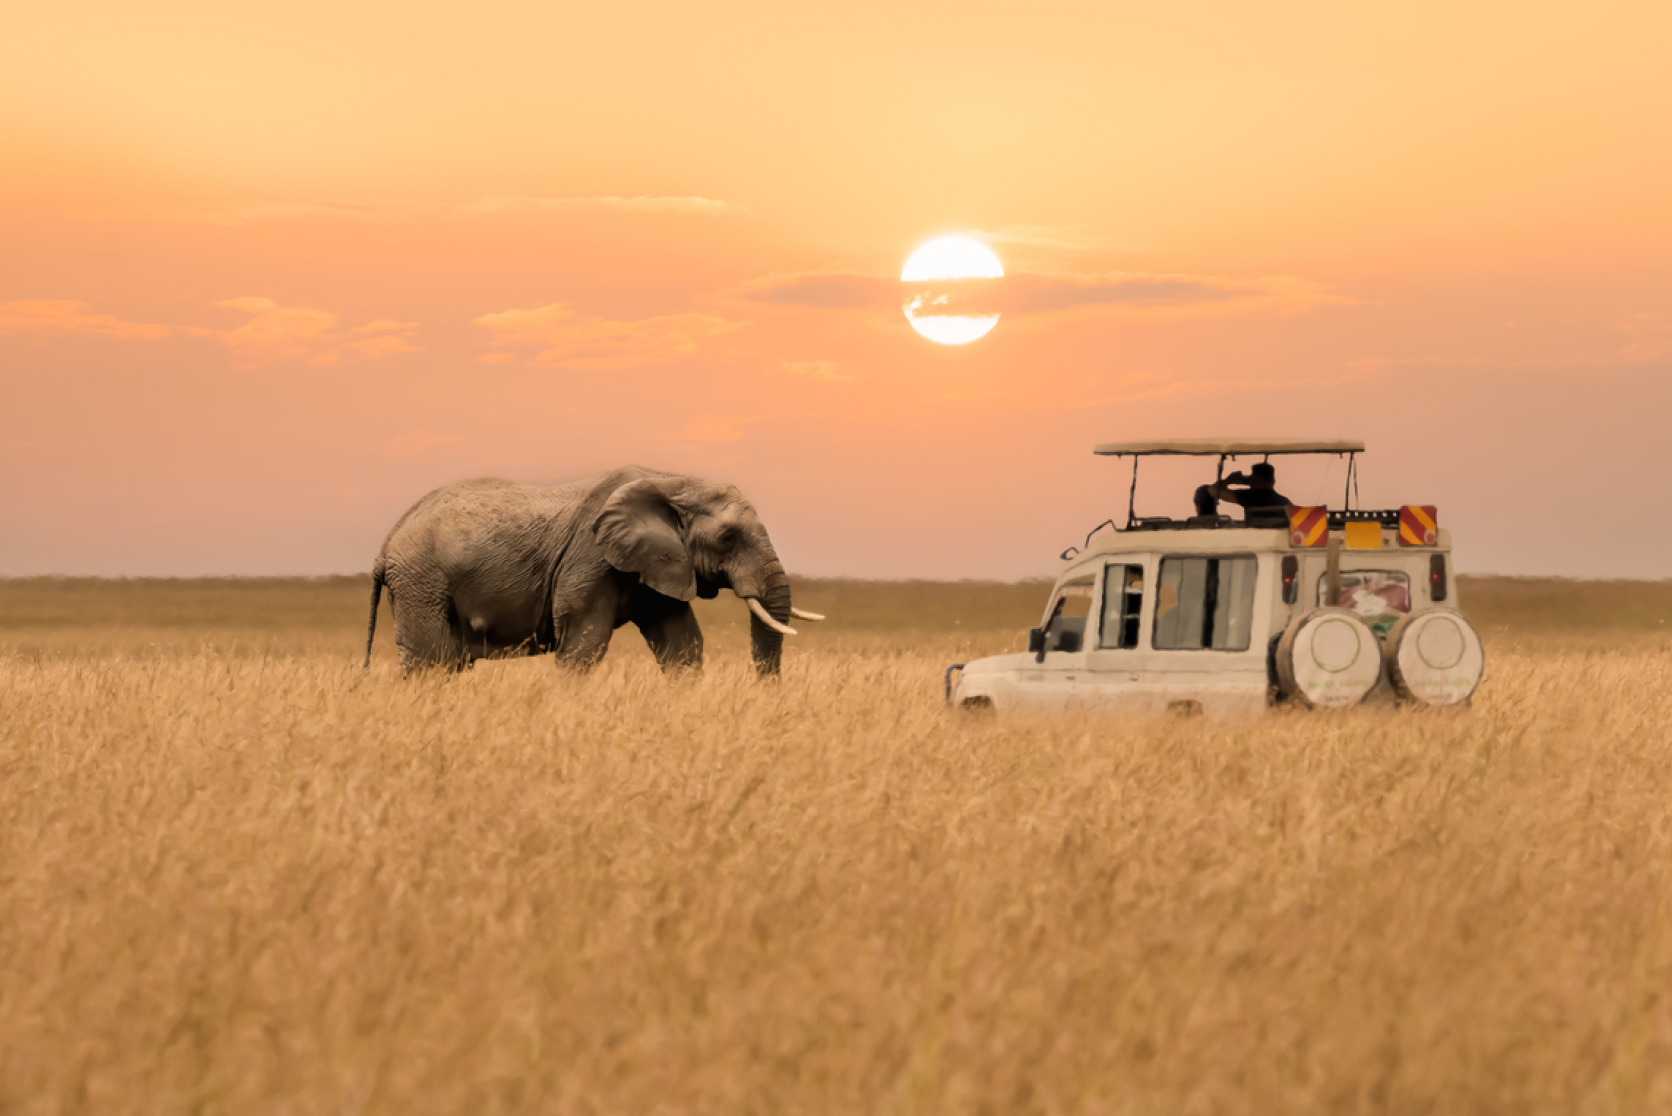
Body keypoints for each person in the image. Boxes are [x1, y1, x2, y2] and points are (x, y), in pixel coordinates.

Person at [1192, 461, 1292, 518]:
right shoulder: (1284, 501)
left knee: (1202, 491)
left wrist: (1229, 480)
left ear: (1254, 479)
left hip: (1254, 537)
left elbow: (1210, 490)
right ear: (1273, 481)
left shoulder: (1248, 497)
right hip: (1275, 539)